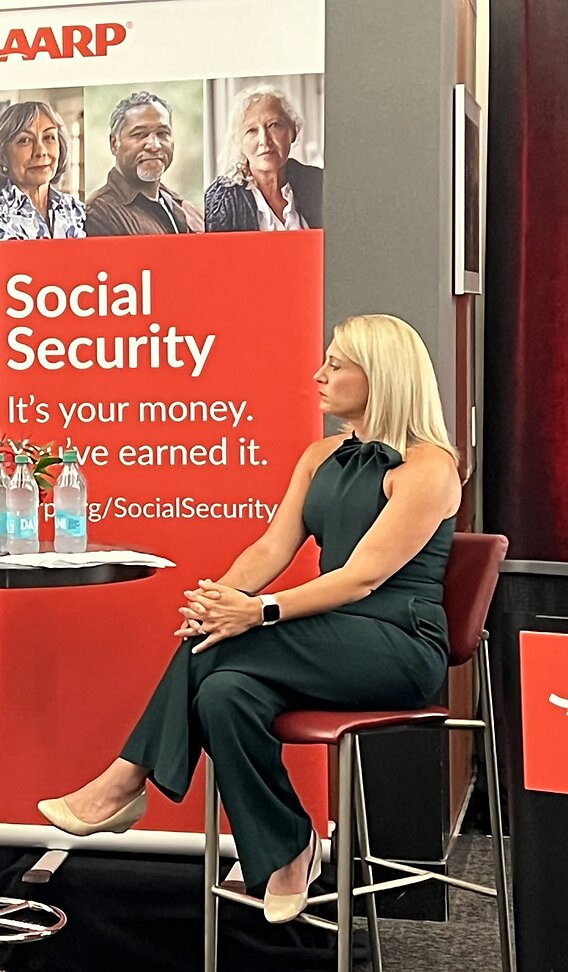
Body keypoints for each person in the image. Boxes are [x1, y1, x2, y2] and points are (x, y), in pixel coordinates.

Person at [37, 314, 460, 923]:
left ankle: (125, 780)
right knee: (224, 695)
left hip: (397, 645)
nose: (319, 374)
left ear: (382, 376)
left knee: (222, 645)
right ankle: (291, 845)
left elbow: (363, 576)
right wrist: (220, 597)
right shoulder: (322, 457)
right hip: (326, 640)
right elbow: (270, 548)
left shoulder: (428, 467)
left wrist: (255, 611)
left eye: (336, 364)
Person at [204, 85, 323, 232]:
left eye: (274, 125)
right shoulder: (222, 199)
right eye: (252, 130)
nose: (264, 140)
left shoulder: (319, 183)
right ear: (239, 141)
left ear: (293, 131)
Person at [86, 91, 204, 237]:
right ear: (114, 143)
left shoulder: (188, 210)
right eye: (139, 134)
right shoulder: (98, 214)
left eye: (162, 133)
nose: (154, 146)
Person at [0, 100, 87, 240]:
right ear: (3, 155)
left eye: (49, 137)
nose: (41, 151)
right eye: (25, 140)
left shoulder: (79, 211)